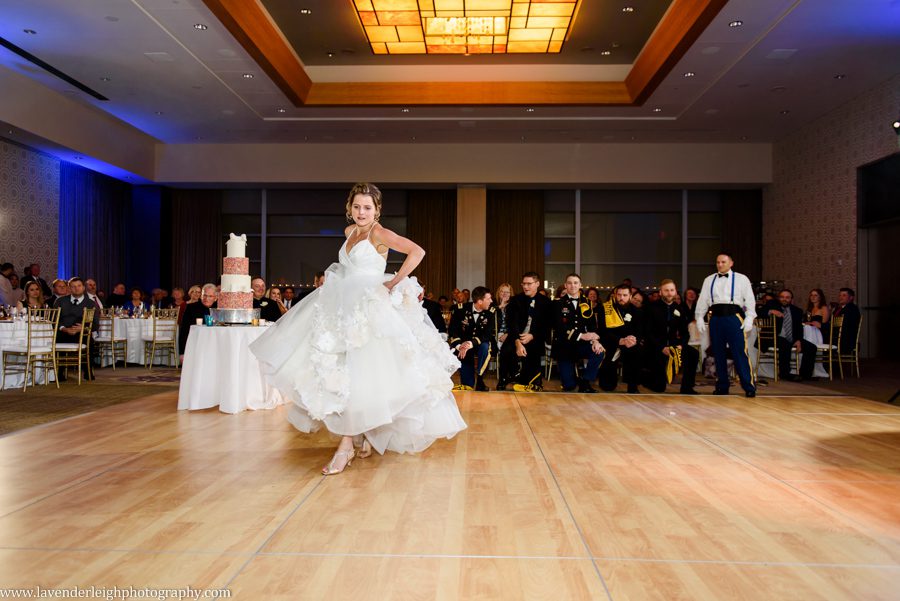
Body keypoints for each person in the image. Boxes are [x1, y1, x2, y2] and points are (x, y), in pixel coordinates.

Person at [250, 182, 466, 476]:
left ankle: (347, 444)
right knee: (340, 371)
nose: (361, 212)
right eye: (357, 206)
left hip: (368, 311)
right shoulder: (349, 232)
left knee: (360, 375)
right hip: (340, 308)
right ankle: (359, 435)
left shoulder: (380, 233)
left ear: (377, 210)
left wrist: (392, 282)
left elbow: (417, 252)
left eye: (367, 207)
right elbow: (345, 269)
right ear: (349, 209)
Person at [694, 253, 757, 397]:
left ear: (731, 263)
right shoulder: (708, 280)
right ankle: (722, 386)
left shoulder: (742, 279)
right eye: (718, 262)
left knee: (739, 352)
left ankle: (748, 386)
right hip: (715, 318)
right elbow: (703, 300)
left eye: (723, 262)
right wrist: (699, 317)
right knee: (718, 353)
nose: (720, 264)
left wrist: (749, 318)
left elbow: (750, 301)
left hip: (734, 317)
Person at [497, 271, 552, 392]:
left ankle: (529, 379)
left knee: (533, 351)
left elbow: (546, 326)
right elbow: (512, 323)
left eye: (529, 284)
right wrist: (517, 341)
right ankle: (503, 379)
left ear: (537, 283)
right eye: (523, 284)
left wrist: (532, 336)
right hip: (516, 336)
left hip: (535, 337)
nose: (525, 287)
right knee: (506, 350)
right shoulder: (516, 300)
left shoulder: (546, 302)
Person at [551, 273, 604, 393]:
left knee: (599, 351)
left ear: (580, 285)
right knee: (569, 386)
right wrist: (581, 335)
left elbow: (591, 326)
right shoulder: (557, 303)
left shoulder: (587, 303)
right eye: (569, 283)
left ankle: (585, 382)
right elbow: (559, 327)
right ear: (565, 285)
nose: (572, 285)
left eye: (575, 283)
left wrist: (595, 341)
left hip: (581, 345)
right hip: (565, 346)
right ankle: (574, 379)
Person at [644, 279, 699, 394]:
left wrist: (681, 345)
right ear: (660, 292)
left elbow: (685, 333)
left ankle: (687, 388)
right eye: (666, 290)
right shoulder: (651, 308)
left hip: (674, 346)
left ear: (675, 292)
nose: (669, 293)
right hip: (656, 347)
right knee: (659, 388)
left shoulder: (679, 309)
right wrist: (661, 347)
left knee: (693, 353)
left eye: (672, 290)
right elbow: (647, 332)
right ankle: (643, 377)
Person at [759, 289, 816, 381]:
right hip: (772, 337)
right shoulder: (772, 304)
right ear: (779, 298)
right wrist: (771, 311)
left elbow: (799, 328)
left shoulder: (797, 311)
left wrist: (798, 340)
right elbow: (758, 313)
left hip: (791, 338)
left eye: (787, 297)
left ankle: (805, 375)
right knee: (785, 343)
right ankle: (784, 373)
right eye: (782, 297)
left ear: (791, 299)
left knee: (811, 347)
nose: (784, 299)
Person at [448, 286, 497, 391]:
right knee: (467, 386)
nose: (491, 301)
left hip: (480, 343)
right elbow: (452, 331)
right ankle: (467, 383)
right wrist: (459, 345)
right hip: (462, 344)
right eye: (488, 299)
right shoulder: (459, 309)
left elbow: (487, 334)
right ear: (479, 301)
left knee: (485, 347)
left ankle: (480, 379)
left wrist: (471, 343)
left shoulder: (490, 312)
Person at [598, 284, 644, 393]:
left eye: (624, 295)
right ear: (615, 295)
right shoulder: (605, 308)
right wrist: (620, 340)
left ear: (630, 296)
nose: (621, 298)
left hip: (630, 344)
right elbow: (603, 331)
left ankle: (632, 385)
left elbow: (640, 331)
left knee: (637, 351)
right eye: (619, 295)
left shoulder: (637, 311)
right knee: (607, 387)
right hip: (611, 342)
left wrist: (632, 339)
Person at [180, 284, 217, 357]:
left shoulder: (219, 309)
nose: (207, 298)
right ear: (201, 296)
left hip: (215, 348)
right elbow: (184, 331)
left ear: (215, 298)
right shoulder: (191, 308)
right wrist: (182, 353)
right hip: (196, 347)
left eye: (210, 296)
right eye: (205, 295)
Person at [832, 287, 861, 355]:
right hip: (839, 337)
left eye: (844, 295)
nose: (841, 297)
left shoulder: (852, 309)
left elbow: (843, 325)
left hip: (845, 341)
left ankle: (827, 364)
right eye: (840, 295)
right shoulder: (839, 308)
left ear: (851, 297)